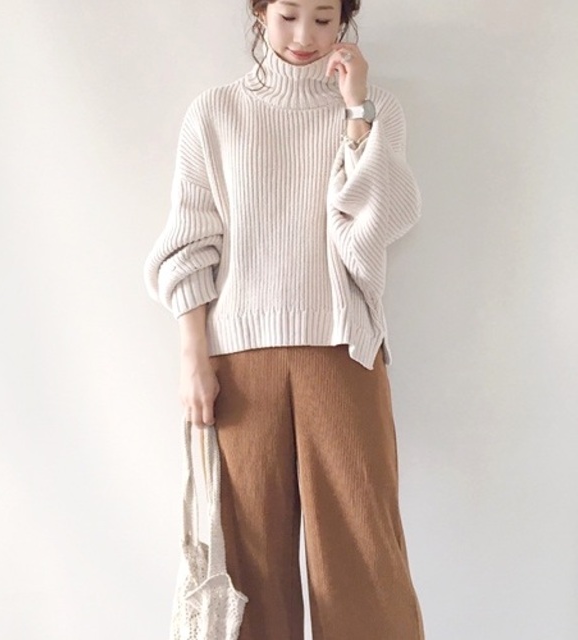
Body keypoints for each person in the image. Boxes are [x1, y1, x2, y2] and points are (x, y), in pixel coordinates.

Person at [143, 0, 425, 637]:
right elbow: (191, 244)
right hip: (240, 363)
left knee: (365, 559)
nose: (305, 36)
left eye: (324, 19)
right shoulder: (215, 112)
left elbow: (380, 221)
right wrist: (193, 358)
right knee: (249, 564)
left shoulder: (375, 108)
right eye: (288, 15)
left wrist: (357, 113)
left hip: (343, 352)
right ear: (260, 13)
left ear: (345, 19)